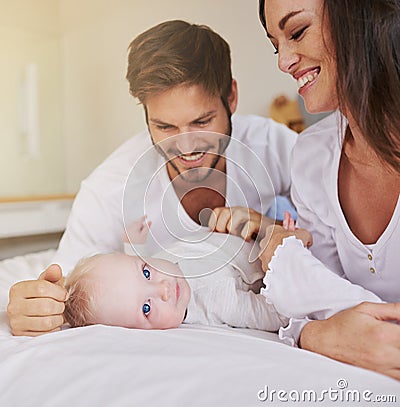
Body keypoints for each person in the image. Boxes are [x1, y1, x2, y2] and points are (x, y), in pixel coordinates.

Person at [7, 20, 297, 336]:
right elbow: (67, 289)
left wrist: (272, 230)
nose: (186, 147)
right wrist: (34, 307)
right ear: (146, 114)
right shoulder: (109, 187)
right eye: (165, 127)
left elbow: (338, 237)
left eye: (201, 121)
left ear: (231, 98)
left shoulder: (273, 145)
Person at [258, 0, 400, 380]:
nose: (283, 61)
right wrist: (320, 336)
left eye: (297, 32)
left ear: (362, 17)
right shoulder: (312, 156)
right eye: (276, 44)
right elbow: (316, 307)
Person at [63, 231, 293, 331]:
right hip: (273, 251)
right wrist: (288, 260)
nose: (163, 289)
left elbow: (132, 268)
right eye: (146, 308)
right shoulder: (215, 300)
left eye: (146, 273)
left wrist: (133, 243)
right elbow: (277, 315)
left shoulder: (161, 265)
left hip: (245, 229)